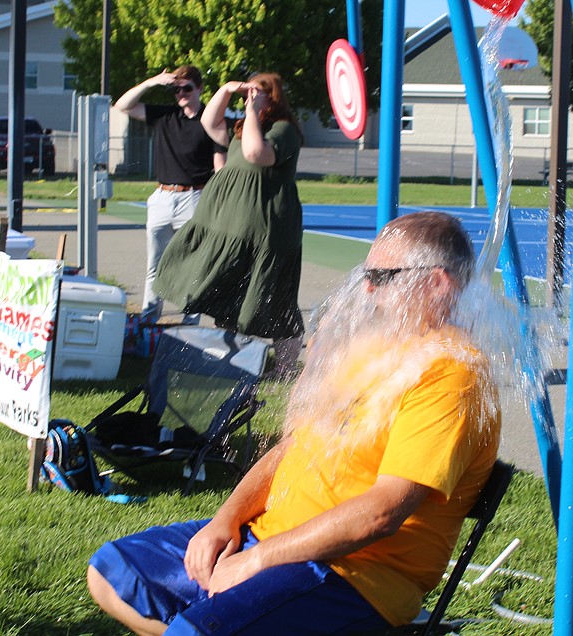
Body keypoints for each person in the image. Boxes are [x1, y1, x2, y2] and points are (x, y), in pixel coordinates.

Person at [86, 211, 502, 635]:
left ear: (436, 283)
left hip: (354, 576)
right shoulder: (377, 351)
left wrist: (256, 561)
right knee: (110, 572)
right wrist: (225, 520)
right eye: (367, 273)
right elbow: (292, 449)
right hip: (272, 538)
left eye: (384, 275)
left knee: (194, 631)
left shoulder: (453, 375)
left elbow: (380, 514)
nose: (368, 286)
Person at [152, 72, 304, 376]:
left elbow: (255, 153)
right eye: (248, 93)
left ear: (272, 97)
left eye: (258, 93)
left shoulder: (285, 129)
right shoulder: (240, 128)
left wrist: (251, 111)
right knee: (227, 291)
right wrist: (225, 90)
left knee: (277, 298)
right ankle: (232, 358)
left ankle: (286, 368)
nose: (250, 98)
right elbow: (209, 124)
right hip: (229, 227)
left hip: (267, 229)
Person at [115, 65, 222, 323]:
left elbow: (221, 166)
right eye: (176, 89)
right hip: (162, 197)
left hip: (195, 199)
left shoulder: (211, 120)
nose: (181, 94)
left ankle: (190, 325)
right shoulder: (165, 115)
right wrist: (152, 82)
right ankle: (149, 320)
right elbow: (122, 106)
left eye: (187, 88)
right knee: (156, 265)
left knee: (193, 265)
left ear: (199, 89)